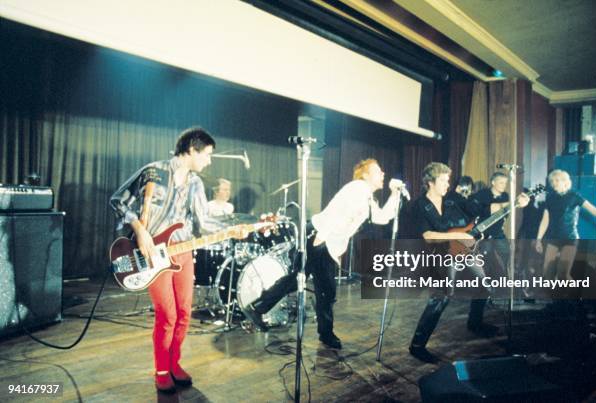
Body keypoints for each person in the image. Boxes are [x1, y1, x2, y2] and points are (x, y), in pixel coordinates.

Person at [243, 158, 401, 349]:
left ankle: (261, 308)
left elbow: (382, 218)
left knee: (315, 286)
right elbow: (338, 213)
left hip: (324, 241)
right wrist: (320, 238)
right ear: (365, 175)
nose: (383, 174)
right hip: (318, 236)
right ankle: (320, 332)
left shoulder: (367, 196)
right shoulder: (357, 188)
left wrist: (394, 194)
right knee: (311, 284)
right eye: (378, 171)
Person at [110, 127, 222, 393]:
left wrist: (242, 226)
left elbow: (204, 221)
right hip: (152, 253)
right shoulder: (154, 171)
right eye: (207, 154)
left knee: (184, 313)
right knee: (167, 315)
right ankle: (161, 370)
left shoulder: (196, 183)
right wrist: (140, 230)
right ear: (192, 150)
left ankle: (174, 364)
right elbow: (118, 200)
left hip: (183, 250)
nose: (209, 160)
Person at [408, 163, 494, 364]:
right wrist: (458, 235)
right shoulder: (420, 205)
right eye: (444, 180)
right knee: (441, 299)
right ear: (430, 182)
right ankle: (417, 346)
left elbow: (476, 211)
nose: (448, 183)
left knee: (484, 284)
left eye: (448, 179)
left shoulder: (453, 199)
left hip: (463, 251)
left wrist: (514, 204)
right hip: (439, 256)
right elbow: (428, 236)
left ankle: (475, 323)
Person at [536, 169, 596, 281]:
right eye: (552, 181)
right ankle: (551, 296)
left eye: (557, 180)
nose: (554, 183)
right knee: (547, 273)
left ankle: (572, 295)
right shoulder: (550, 198)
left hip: (570, 238)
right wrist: (538, 239)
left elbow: (594, 211)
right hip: (553, 238)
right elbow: (545, 220)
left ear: (565, 182)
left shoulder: (574, 196)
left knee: (562, 274)